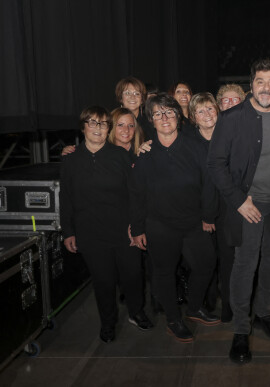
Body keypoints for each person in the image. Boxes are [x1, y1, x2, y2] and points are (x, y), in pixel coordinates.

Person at [207, 59, 270, 364]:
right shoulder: (232, 118)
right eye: (261, 81)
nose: (266, 88)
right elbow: (215, 165)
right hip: (250, 205)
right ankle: (241, 330)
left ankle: (265, 314)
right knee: (245, 266)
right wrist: (238, 200)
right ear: (251, 85)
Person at [130, 93, 220, 343]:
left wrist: (208, 216)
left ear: (179, 117)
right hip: (160, 227)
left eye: (169, 112)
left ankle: (193, 308)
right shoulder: (145, 154)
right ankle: (173, 319)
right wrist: (137, 228)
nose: (164, 117)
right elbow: (137, 195)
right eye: (158, 114)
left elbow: (209, 185)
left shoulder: (196, 147)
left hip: (194, 223)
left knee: (206, 265)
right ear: (151, 120)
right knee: (164, 273)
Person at [60, 106, 153, 343]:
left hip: (124, 231)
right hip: (91, 234)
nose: (98, 128)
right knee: (103, 282)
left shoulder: (121, 156)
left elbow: (136, 193)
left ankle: (136, 312)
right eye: (92, 123)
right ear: (83, 127)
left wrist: (136, 226)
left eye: (102, 124)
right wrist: (68, 232)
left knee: (133, 275)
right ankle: (108, 323)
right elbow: (66, 198)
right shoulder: (71, 160)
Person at [189, 92, 235, 322]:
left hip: (228, 211)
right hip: (200, 214)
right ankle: (205, 303)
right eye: (200, 111)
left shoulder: (229, 137)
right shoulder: (188, 142)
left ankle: (228, 307)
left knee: (229, 261)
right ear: (193, 117)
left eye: (210, 109)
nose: (207, 114)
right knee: (206, 261)